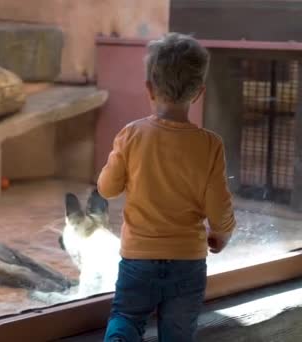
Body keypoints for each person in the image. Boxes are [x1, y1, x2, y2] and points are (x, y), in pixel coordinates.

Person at [97, 32, 236, 342]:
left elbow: (107, 189)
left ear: (149, 88)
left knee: (126, 317)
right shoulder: (210, 145)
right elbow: (219, 206)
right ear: (198, 93)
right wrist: (222, 235)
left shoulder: (131, 135)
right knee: (178, 334)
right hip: (188, 262)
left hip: (138, 258)